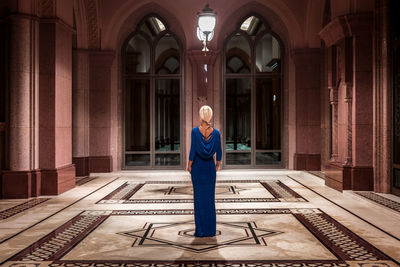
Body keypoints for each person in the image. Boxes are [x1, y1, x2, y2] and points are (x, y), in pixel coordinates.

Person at [187, 105, 222, 237]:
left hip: (197, 167)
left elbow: (193, 150)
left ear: (200, 116)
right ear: (210, 116)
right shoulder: (216, 133)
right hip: (209, 168)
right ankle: (210, 230)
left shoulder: (195, 131)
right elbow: (219, 152)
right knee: (209, 199)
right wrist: (217, 165)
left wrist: (189, 165)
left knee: (199, 199)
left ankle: (200, 230)